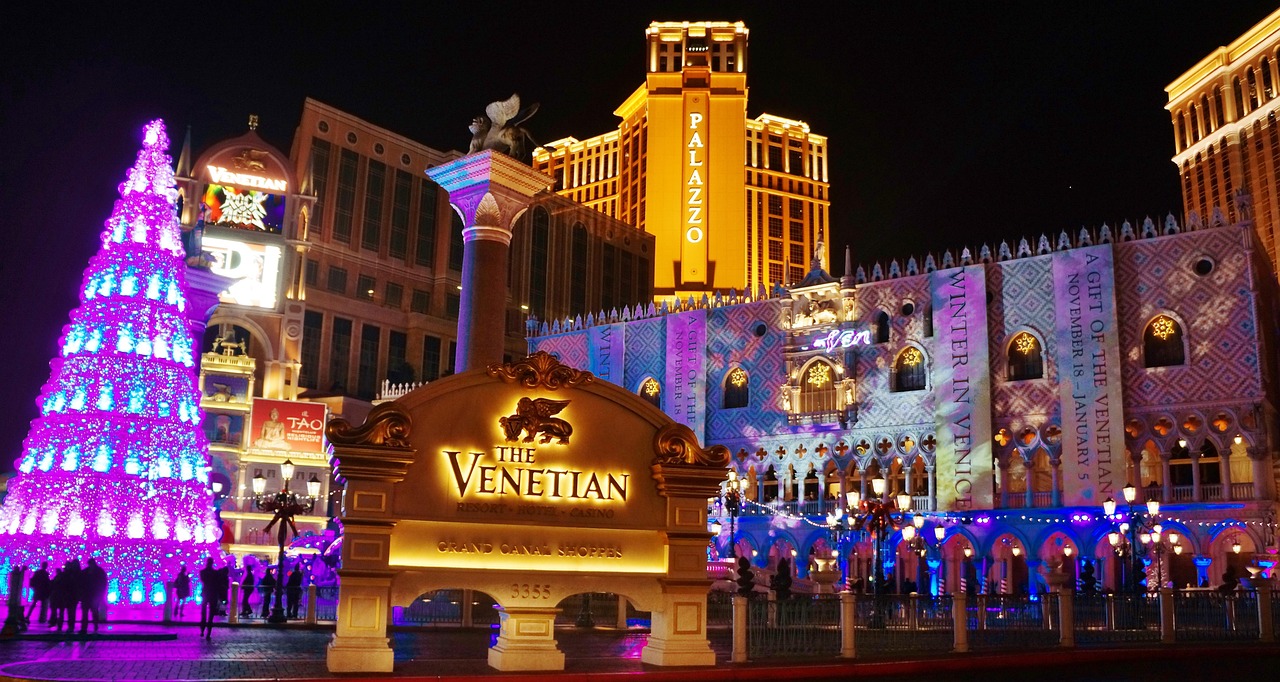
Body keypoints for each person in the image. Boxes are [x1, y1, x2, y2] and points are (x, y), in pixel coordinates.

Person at [80, 558, 107, 634]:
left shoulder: (86, 572)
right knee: (92, 612)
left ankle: (86, 628)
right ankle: (92, 626)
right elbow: (103, 583)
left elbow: (81, 583)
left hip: (89, 595)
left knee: (88, 612)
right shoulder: (99, 571)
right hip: (92, 595)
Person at [198, 559, 217, 639]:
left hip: (205, 592)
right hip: (212, 593)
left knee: (203, 613)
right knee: (211, 615)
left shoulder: (203, 572)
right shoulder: (215, 573)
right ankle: (208, 633)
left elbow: (203, 580)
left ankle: (202, 630)